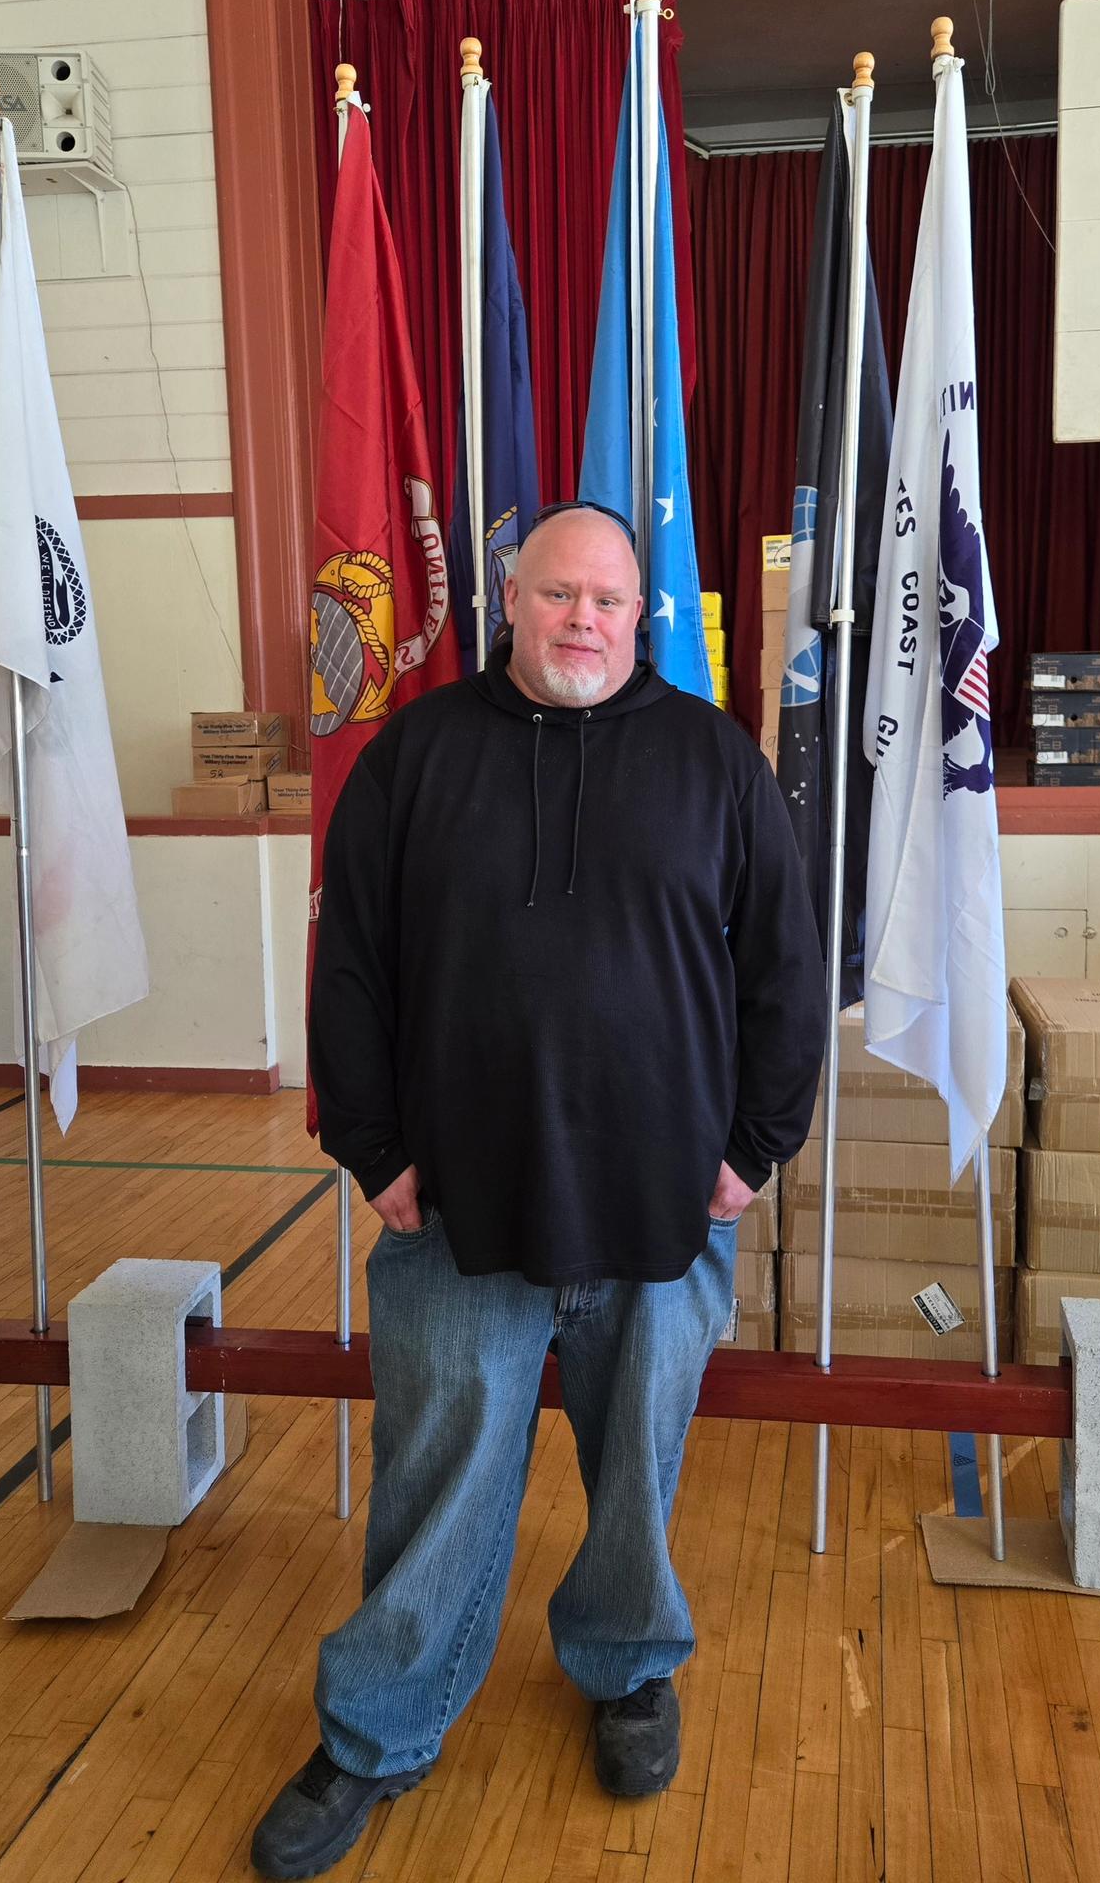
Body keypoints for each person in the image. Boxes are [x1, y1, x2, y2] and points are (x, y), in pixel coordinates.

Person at [250, 506, 825, 1880]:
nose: (584, 620)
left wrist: (751, 1149)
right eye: (558, 594)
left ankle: (627, 1670)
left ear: (644, 617)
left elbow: (786, 977)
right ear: (508, 598)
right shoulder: (413, 757)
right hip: (453, 1206)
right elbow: (351, 972)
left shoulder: (711, 765)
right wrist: (375, 1151)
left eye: (610, 602)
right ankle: (376, 1727)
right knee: (437, 1475)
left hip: (663, 1209)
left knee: (635, 1469)